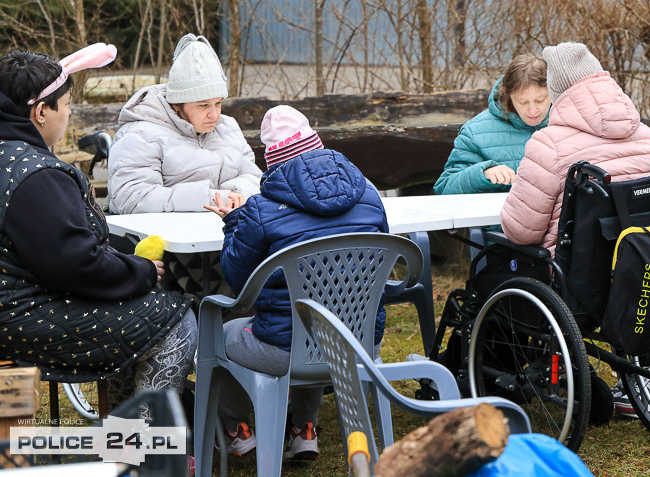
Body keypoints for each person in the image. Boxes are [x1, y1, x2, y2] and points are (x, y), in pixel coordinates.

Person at [0, 46, 196, 409]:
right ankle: (143, 454)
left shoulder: (8, 155)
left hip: (17, 305)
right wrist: (138, 269)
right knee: (175, 318)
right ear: (41, 111)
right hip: (20, 319)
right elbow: (74, 264)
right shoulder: (36, 174)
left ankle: (121, 441)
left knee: (137, 316)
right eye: (68, 104)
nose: (70, 113)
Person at [206, 106, 389, 461]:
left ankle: (235, 431)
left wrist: (234, 223)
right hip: (360, 342)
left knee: (223, 334)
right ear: (318, 148)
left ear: (272, 162)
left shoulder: (260, 210)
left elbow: (238, 283)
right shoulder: (369, 195)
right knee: (321, 319)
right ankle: (305, 429)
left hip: (284, 350)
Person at [500, 41, 650, 257]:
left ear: (554, 92)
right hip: (644, 267)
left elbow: (520, 231)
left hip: (576, 274)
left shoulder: (548, 145)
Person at [108, 33, 261, 215]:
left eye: (218, 103)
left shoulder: (227, 128)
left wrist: (233, 194)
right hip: (165, 238)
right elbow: (131, 199)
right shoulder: (140, 135)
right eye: (203, 105)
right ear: (177, 104)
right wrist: (211, 198)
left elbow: (255, 178)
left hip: (229, 228)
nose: (214, 114)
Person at [434, 53, 549, 194]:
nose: (532, 110)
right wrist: (483, 174)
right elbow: (445, 187)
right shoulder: (475, 132)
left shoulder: (572, 122)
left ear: (553, 91)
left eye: (540, 100)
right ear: (509, 97)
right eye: (523, 102)